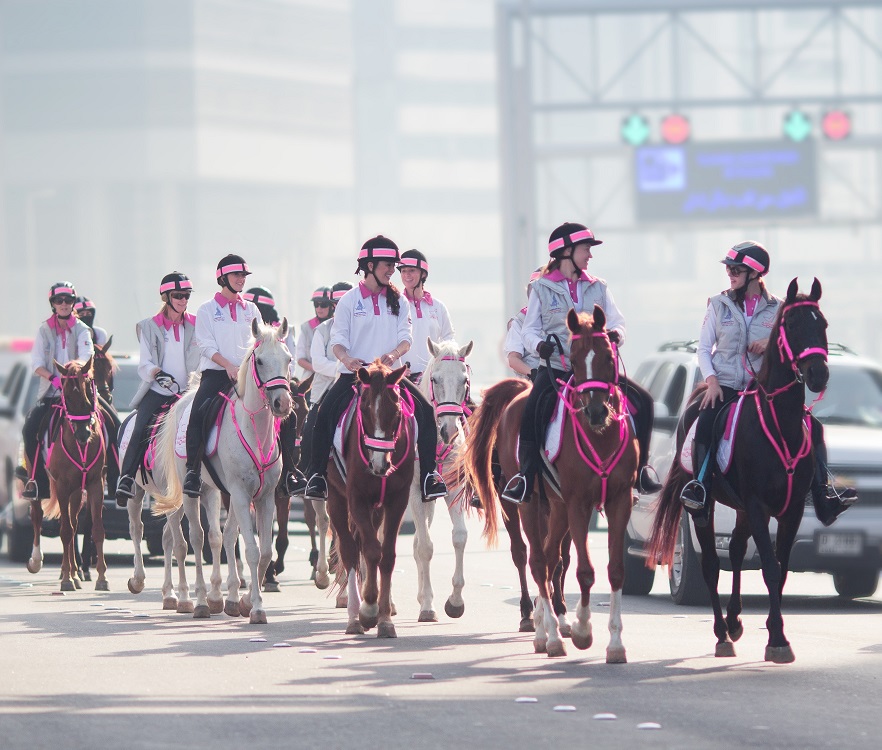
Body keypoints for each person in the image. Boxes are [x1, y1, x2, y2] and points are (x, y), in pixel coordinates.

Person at [679, 241, 856, 527]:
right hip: (724, 386)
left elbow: (788, 345)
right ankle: (700, 487)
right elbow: (703, 349)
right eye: (729, 269)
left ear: (755, 274)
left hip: (762, 391)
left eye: (736, 269)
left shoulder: (780, 308)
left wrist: (769, 341)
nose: (730, 274)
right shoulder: (717, 304)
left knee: (814, 427)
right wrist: (711, 382)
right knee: (706, 422)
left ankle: (823, 494)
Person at [501, 222, 661, 504]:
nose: (590, 255)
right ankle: (525, 476)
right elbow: (529, 329)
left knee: (644, 401)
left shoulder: (599, 286)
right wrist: (539, 345)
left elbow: (618, 321)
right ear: (566, 251)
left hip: (596, 371)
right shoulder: (541, 288)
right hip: (558, 369)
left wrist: (616, 335)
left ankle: (642, 471)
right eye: (586, 249)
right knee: (530, 411)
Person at [303, 235, 448, 502]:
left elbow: (407, 339)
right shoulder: (348, 300)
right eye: (388, 264)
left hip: (390, 378)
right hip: (354, 377)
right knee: (321, 416)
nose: (393, 270)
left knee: (427, 413)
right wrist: (347, 360)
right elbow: (337, 342)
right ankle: (316, 476)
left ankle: (429, 476)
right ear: (369, 265)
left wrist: (393, 356)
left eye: (394, 265)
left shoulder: (399, 301)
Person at [115, 272, 201, 504]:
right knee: (140, 426)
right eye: (178, 295)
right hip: (159, 391)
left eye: (187, 295)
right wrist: (157, 373)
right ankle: (126, 478)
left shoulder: (197, 324)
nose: (183, 300)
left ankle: (197, 475)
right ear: (166, 297)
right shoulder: (148, 327)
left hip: (190, 393)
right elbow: (145, 363)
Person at [182, 254, 262, 497]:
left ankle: (289, 469)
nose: (241, 280)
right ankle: (193, 473)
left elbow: (259, 342)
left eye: (243, 276)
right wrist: (228, 365)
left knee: (281, 409)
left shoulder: (252, 308)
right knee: (198, 414)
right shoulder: (207, 310)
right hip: (217, 376)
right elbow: (204, 345)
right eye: (237, 275)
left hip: (248, 378)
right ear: (222, 278)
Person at [19, 281, 95, 499]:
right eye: (59, 301)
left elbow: (86, 356)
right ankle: (37, 482)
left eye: (68, 300)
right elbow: (36, 364)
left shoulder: (82, 330)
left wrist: (72, 374)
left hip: (79, 392)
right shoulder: (44, 330)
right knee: (29, 429)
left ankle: (117, 477)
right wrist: (54, 378)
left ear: (73, 303)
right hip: (51, 394)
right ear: (53, 304)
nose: (64, 304)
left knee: (114, 423)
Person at [242, 284, 307, 495]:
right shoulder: (244, 326)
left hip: (276, 383)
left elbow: (293, 359)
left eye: (263, 310)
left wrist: (284, 381)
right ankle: (195, 469)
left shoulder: (282, 332)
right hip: (243, 379)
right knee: (202, 409)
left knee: (292, 418)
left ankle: (289, 470)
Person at [299, 281, 352, 474]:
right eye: (337, 302)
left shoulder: (363, 327)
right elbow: (318, 363)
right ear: (333, 305)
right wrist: (346, 368)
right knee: (311, 429)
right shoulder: (321, 330)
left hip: (357, 387)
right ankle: (311, 476)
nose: (341, 306)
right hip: (324, 391)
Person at [396, 249, 454, 384]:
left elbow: (449, 340)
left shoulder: (438, 307)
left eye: (411, 271)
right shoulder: (394, 305)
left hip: (434, 379)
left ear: (423, 274)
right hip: (404, 379)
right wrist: (396, 368)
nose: (407, 275)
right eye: (403, 271)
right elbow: (387, 341)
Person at [503, 268, 543, 380]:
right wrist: (533, 373)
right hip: (531, 381)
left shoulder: (564, 318)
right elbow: (513, 359)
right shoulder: (519, 321)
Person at [295, 286, 334, 383]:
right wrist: (319, 368)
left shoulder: (339, 326)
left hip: (334, 378)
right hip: (311, 381)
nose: (319, 308)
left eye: (323, 304)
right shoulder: (306, 327)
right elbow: (300, 358)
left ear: (332, 306)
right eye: (316, 304)